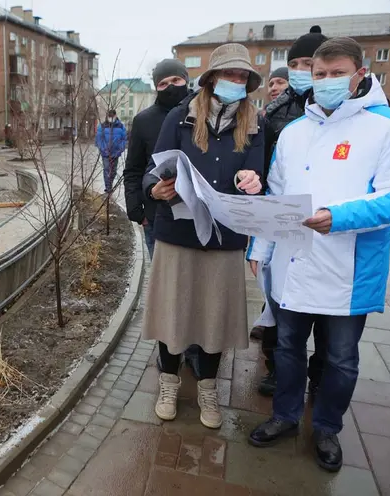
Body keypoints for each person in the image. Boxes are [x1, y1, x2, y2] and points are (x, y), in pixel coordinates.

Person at [247, 37, 390, 472]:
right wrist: (260, 247)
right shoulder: (297, 130)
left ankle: (327, 427)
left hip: (347, 270)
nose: (327, 81)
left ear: (359, 75)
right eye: (320, 74)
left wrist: (338, 217)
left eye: (337, 73)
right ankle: (284, 416)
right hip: (292, 263)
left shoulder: (388, 126)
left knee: (339, 358)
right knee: (288, 349)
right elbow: (277, 194)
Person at [142, 43, 264, 428]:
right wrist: (154, 188)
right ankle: (168, 382)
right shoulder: (180, 116)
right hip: (177, 232)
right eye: (229, 74)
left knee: (214, 317)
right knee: (171, 313)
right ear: (211, 78)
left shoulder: (254, 123)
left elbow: (259, 173)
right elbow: (153, 168)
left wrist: (252, 179)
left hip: (224, 237)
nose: (236, 81)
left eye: (243, 76)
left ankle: (208, 389)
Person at [252, 26, 329, 398]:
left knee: (327, 315)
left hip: (326, 224)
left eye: (308, 63)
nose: (300, 69)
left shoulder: (340, 113)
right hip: (280, 217)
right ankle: (275, 366)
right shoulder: (277, 112)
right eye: (294, 63)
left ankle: (319, 375)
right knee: (277, 299)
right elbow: (269, 169)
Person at [124, 59, 191, 256]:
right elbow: (133, 169)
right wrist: (138, 212)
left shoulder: (200, 113)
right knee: (163, 283)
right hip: (157, 217)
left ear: (186, 80)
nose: (170, 87)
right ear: (156, 87)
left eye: (176, 80)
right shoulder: (144, 121)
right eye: (163, 83)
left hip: (195, 217)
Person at [95, 110, 127, 194]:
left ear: (115, 116)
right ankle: (108, 188)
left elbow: (124, 139)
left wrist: (120, 149)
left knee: (113, 171)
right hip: (105, 153)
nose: (111, 118)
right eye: (110, 116)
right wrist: (104, 149)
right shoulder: (102, 126)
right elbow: (99, 139)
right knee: (106, 170)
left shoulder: (121, 126)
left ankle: (110, 184)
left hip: (116, 153)